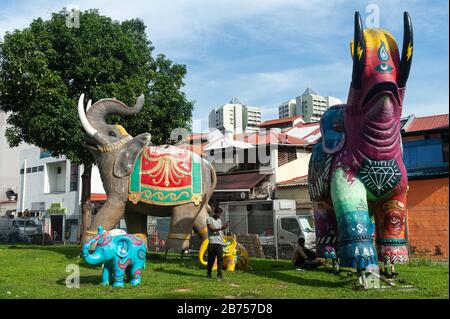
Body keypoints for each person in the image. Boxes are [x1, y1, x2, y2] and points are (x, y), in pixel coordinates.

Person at [206, 207, 228, 279]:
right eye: (218, 213)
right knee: (211, 259)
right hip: (212, 242)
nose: (219, 215)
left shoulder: (219, 221)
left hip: (220, 243)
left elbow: (220, 232)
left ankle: (219, 274)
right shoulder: (209, 219)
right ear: (214, 212)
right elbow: (212, 229)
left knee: (220, 259)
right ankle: (209, 273)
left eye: (220, 214)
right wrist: (221, 228)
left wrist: (223, 240)